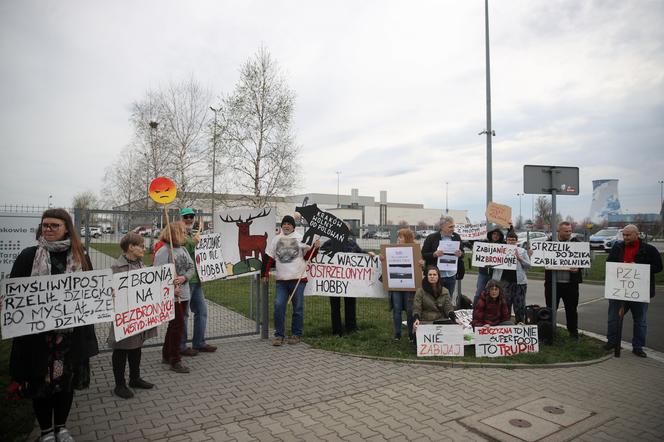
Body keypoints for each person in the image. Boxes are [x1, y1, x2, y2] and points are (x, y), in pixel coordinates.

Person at [9, 208, 99, 442]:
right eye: (45, 225)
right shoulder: (28, 256)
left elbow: (91, 290)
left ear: (67, 228)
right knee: (41, 384)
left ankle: (62, 427)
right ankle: (46, 431)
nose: (47, 229)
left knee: (64, 383)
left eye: (53, 225)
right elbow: (14, 293)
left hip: (69, 340)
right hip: (38, 339)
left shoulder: (80, 256)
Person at [107, 233, 157, 399]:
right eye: (141, 245)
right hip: (124, 317)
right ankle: (119, 384)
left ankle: (135, 378)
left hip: (138, 316)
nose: (144, 248)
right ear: (130, 247)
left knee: (137, 347)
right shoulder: (116, 267)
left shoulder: (141, 265)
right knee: (121, 349)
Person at [605, 224, 662, 357]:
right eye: (624, 235)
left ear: (637, 234)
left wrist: (638, 267)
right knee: (613, 318)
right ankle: (612, 342)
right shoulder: (617, 247)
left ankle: (638, 346)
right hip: (619, 290)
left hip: (639, 292)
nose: (625, 237)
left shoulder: (649, 249)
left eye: (628, 235)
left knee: (640, 320)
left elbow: (658, 267)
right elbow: (609, 263)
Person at [262, 215, 319, 346]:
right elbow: (269, 257)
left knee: (298, 308)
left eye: (289, 224)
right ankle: (279, 335)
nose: (286, 226)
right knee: (278, 306)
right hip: (281, 281)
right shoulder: (276, 239)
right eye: (284, 224)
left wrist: (316, 248)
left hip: (298, 280)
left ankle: (296, 334)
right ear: (281, 226)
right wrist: (264, 274)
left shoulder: (301, 238)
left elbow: (308, 256)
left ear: (293, 226)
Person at [154, 222, 195, 373]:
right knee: (177, 326)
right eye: (183, 232)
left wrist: (184, 278)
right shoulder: (163, 252)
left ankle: (167, 354)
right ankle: (175, 360)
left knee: (175, 326)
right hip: (172, 297)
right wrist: (171, 288)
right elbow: (157, 275)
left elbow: (191, 268)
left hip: (184, 295)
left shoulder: (183, 249)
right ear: (175, 233)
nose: (185, 234)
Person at [179, 208, 217, 356]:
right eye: (186, 217)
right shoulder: (178, 234)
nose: (189, 219)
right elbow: (180, 254)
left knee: (201, 311)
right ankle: (181, 346)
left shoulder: (193, 234)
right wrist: (192, 244)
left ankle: (199, 343)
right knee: (183, 314)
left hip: (197, 280)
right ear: (181, 218)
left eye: (191, 217)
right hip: (185, 281)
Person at [320, 228, 366, 337]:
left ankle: (351, 328)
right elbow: (319, 256)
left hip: (349, 282)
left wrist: (370, 254)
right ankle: (336, 330)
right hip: (334, 282)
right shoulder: (329, 244)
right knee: (335, 307)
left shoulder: (352, 244)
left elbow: (362, 254)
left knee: (350, 305)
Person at [544, 221, 582, 339]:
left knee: (571, 309)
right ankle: (549, 333)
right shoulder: (549, 243)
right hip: (553, 284)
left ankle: (573, 333)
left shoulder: (577, 244)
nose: (569, 233)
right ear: (559, 231)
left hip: (571, 284)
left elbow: (585, 259)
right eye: (566, 231)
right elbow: (540, 258)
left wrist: (579, 267)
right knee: (550, 309)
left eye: (570, 231)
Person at [385, 228, 418, 342]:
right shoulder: (393, 249)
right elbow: (386, 263)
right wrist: (382, 259)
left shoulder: (416, 250)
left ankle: (411, 334)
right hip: (396, 285)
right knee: (397, 309)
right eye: (398, 237)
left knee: (410, 311)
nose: (398, 239)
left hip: (410, 286)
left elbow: (420, 267)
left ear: (407, 238)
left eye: (401, 237)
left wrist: (421, 263)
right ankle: (397, 334)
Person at [421, 216, 465, 297]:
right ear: (442, 227)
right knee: (434, 299)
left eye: (453, 226)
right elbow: (423, 254)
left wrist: (460, 254)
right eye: (450, 227)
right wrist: (434, 254)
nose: (453, 229)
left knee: (448, 299)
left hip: (451, 275)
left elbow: (463, 254)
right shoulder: (432, 238)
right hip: (436, 276)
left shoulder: (456, 237)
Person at [492, 230, 531, 323]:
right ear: (506, 240)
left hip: (519, 283)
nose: (511, 242)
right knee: (505, 305)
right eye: (509, 240)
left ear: (516, 241)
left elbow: (529, 266)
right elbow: (491, 262)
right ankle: (506, 325)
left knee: (520, 306)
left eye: (513, 240)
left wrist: (520, 258)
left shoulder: (522, 251)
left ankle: (520, 324)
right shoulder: (500, 250)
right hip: (504, 283)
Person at [412, 266, 457, 333]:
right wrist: (416, 319)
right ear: (426, 276)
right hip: (425, 321)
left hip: (441, 320)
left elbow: (448, 308)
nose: (432, 276)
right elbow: (417, 308)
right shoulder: (420, 291)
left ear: (438, 276)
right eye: (430, 275)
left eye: (434, 274)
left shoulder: (445, 291)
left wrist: (454, 319)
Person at [474, 227, 505, 303]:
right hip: (483, 273)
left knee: (493, 294)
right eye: (494, 234)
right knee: (479, 292)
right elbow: (473, 244)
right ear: (491, 234)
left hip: (495, 274)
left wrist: (510, 229)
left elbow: (512, 243)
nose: (496, 236)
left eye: (498, 234)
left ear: (500, 236)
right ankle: (475, 309)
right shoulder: (484, 243)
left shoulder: (503, 245)